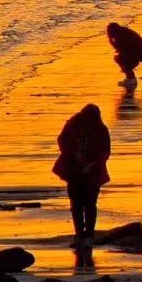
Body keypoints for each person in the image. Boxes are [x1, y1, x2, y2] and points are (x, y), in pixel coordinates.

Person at [53, 104, 110, 252]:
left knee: (85, 205)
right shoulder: (76, 124)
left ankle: (86, 237)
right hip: (75, 171)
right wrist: (73, 154)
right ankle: (82, 236)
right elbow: (62, 140)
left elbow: (105, 151)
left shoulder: (100, 129)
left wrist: (92, 162)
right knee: (80, 204)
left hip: (91, 171)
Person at [106, 23, 142, 88]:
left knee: (120, 58)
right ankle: (130, 78)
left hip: (141, 53)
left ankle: (131, 78)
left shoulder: (122, 35)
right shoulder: (123, 32)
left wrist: (111, 40)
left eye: (108, 32)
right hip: (141, 52)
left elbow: (120, 48)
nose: (108, 34)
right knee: (121, 58)